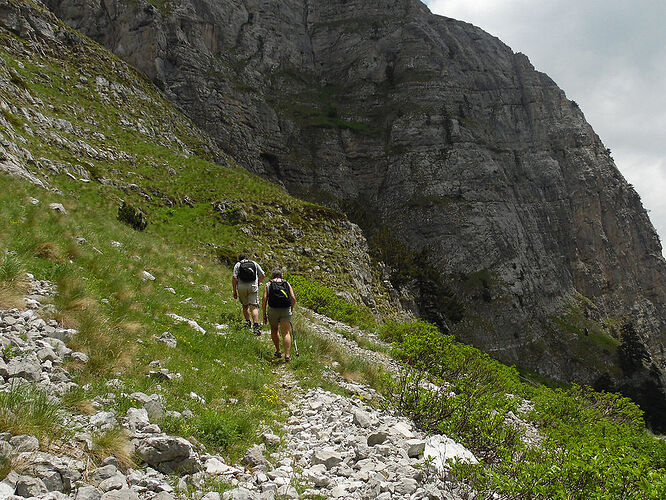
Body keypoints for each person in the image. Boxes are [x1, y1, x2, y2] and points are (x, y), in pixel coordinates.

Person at [262, 269, 297, 362]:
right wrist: (291, 309)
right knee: (286, 333)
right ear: (281, 276)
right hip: (286, 310)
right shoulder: (287, 283)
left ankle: (278, 351)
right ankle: (287, 355)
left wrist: (264, 313)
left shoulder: (268, 284)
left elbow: (264, 299)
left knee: (274, 329)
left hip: (273, 310)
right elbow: (293, 298)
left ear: (272, 276)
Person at [232, 254, 265, 335]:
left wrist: (234, 290)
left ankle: (247, 323)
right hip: (253, 286)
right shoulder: (254, 263)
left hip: (241, 287)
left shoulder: (238, 264)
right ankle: (256, 326)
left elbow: (234, 278)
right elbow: (263, 275)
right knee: (254, 306)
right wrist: (258, 283)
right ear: (247, 258)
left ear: (239, 259)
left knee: (245, 305)